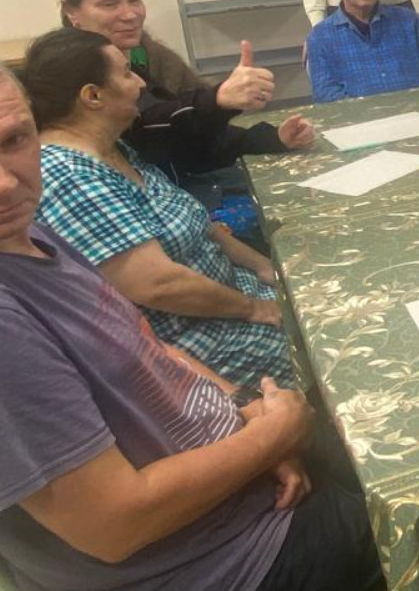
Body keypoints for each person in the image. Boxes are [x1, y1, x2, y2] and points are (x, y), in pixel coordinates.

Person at [0, 39, 380, 591]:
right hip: (229, 562)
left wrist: (249, 414)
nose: (2, 182)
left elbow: (146, 344)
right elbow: (112, 524)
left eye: (15, 140)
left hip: (235, 483)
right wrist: (269, 441)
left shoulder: (14, 231)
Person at [22, 28, 294, 390]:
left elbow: (198, 222)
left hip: (231, 299)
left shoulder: (113, 149)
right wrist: (254, 308)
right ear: (92, 96)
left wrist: (264, 266)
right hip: (201, 342)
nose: (139, 83)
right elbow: (159, 285)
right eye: (126, 74)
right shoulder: (68, 177)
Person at [58, 0, 317, 179]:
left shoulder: (150, 55)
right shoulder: (66, 76)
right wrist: (218, 99)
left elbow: (193, 140)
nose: (130, 14)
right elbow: (149, 130)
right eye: (109, 3)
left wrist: (270, 138)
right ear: (71, 12)